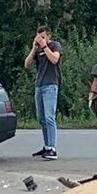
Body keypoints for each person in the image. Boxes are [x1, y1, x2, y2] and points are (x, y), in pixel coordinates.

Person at [24, 25, 63, 160]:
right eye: (38, 37)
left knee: (49, 117)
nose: (40, 39)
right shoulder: (38, 50)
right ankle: (46, 146)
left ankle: (53, 148)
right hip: (39, 85)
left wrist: (45, 46)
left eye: (43, 37)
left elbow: (54, 59)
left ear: (48, 36)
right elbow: (27, 64)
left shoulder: (54, 46)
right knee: (41, 118)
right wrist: (34, 48)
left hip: (51, 85)